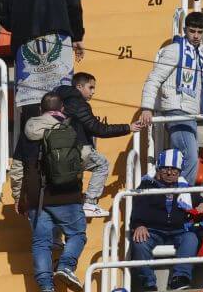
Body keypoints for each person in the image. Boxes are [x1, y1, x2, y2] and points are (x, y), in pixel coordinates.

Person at [0, 0, 83, 129]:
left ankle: (32, 148)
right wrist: (77, 35)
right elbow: (74, 5)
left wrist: (21, 26)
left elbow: (3, 15)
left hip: (25, 42)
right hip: (59, 38)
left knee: (31, 100)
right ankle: (63, 145)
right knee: (62, 95)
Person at [20, 92, 88, 292]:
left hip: (36, 197)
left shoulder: (28, 130)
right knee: (77, 234)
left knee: (41, 243)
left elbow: (17, 167)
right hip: (67, 194)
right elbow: (85, 156)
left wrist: (19, 196)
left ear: (40, 110)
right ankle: (66, 266)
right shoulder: (72, 126)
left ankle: (45, 286)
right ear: (63, 109)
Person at [140, 11, 203, 185]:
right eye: (192, 31)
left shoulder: (200, 54)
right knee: (189, 157)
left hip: (190, 113)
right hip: (176, 109)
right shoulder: (175, 50)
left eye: (200, 32)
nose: (196, 36)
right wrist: (147, 107)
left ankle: (175, 195)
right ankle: (182, 197)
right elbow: (154, 79)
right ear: (185, 30)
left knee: (185, 159)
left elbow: (202, 87)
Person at [55, 72, 141, 218]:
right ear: (79, 86)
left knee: (66, 196)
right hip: (77, 148)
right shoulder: (79, 103)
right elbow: (97, 128)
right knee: (102, 164)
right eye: (91, 87)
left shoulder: (60, 101)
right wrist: (128, 128)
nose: (93, 92)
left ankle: (57, 237)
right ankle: (90, 202)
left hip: (58, 154)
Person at [129, 149, 203, 291]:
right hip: (153, 231)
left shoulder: (186, 188)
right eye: (165, 169)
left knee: (191, 238)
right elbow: (137, 209)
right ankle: (148, 284)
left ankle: (180, 278)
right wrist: (139, 225)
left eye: (174, 170)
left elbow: (200, 201)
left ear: (180, 171)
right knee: (139, 242)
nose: (170, 173)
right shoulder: (147, 186)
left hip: (179, 231)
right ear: (159, 169)